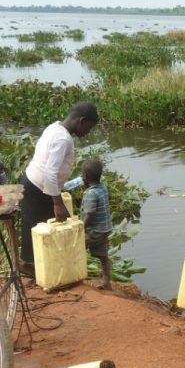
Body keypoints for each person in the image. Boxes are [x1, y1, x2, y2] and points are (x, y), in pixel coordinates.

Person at [19, 101, 99, 277]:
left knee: (38, 227)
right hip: (38, 188)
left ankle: (42, 266)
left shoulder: (55, 127)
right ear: (81, 121)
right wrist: (57, 203)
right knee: (63, 228)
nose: (88, 132)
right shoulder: (63, 139)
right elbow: (50, 172)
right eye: (89, 127)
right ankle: (31, 268)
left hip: (37, 184)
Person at [80, 159, 112, 290]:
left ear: (85, 176)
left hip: (94, 231)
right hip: (104, 229)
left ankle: (74, 277)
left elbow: (90, 215)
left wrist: (81, 228)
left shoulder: (91, 193)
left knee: (77, 249)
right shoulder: (102, 188)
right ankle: (107, 282)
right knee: (103, 256)